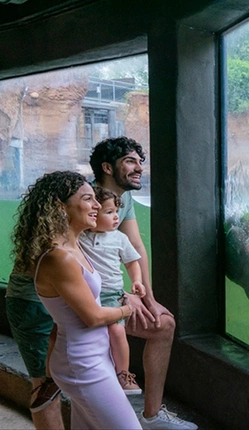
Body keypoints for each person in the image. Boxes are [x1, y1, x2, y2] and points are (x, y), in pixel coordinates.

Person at [12, 170, 142, 428]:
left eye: (96, 199)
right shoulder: (59, 258)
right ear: (60, 207)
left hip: (93, 356)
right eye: (88, 199)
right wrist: (127, 309)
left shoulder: (75, 246)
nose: (97, 205)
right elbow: (93, 317)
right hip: (82, 364)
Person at [88, 136, 197, 429]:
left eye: (140, 162)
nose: (139, 168)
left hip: (105, 297)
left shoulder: (123, 201)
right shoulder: (86, 199)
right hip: (75, 301)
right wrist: (123, 295)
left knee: (164, 324)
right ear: (107, 167)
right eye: (130, 161)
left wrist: (148, 299)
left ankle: (151, 416)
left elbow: (134, 247)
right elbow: (69, 256)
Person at [79, 186, 146, 395]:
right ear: (93, 213)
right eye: (109, 212)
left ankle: (123, 373)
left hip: (111, 294)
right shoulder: (80, 237)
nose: (116, 217)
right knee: (94, 334)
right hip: (87, 294)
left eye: (117, 211)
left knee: (117, 331)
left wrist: (137, 281)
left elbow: (132, 261)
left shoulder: (119, 238)